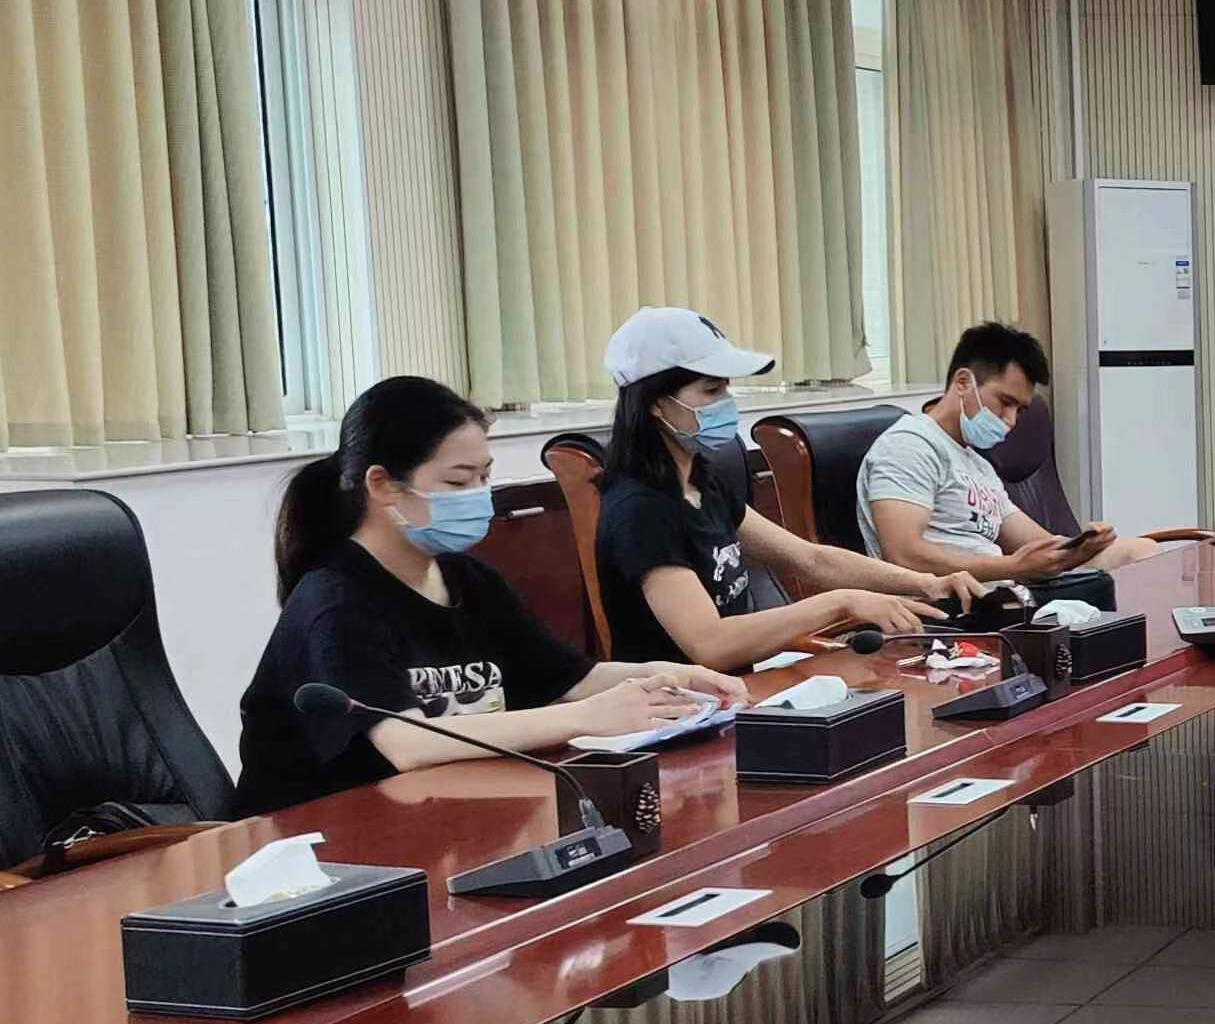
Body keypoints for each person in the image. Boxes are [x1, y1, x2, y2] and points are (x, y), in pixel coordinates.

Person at [235, 374, 737, 815]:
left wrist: (669, 676)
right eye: (459, 481)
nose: (480, 495)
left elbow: (571, 678)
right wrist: (588, 718)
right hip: (324, 846)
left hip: (448, 816)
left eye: (485, 476)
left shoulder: (469, 579)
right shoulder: (336, 602)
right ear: (383, 485)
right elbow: (407, 743)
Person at [590, 306, 969, 672]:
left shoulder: (703, 483)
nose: (726, 403)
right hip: (676, 706)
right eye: (711, 390)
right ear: (656, 404)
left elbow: (810, 560)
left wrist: (927, 584)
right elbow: (710, 643)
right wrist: (842, 603)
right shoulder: (640, 510)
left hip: (735, 692)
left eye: (726, 388)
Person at [857, 321, 1158, 585]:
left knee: (1142, 552)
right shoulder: (909, 446)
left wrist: (1081, 548)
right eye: (1005, 402)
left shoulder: (978, 466)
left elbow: (1039, 544)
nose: (1011, 420)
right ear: (963, 383)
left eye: (1019, 410)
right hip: (949, 611)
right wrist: (1012, 567)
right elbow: (903, 556)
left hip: (1007, 598)